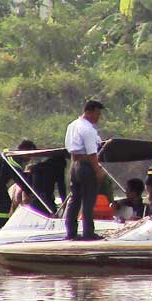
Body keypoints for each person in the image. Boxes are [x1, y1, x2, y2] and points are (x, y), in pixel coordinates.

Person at [64, 100, 105, 241]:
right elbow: (92, 153)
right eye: (97, 114)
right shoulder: (87, 129)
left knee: (75, 199)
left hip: (74, 165)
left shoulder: (72, 125)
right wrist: (98, 170)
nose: (98, 117)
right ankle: (88, 233)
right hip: (86, 166)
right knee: (88, 200)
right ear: (90, 112)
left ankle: (71, 232)